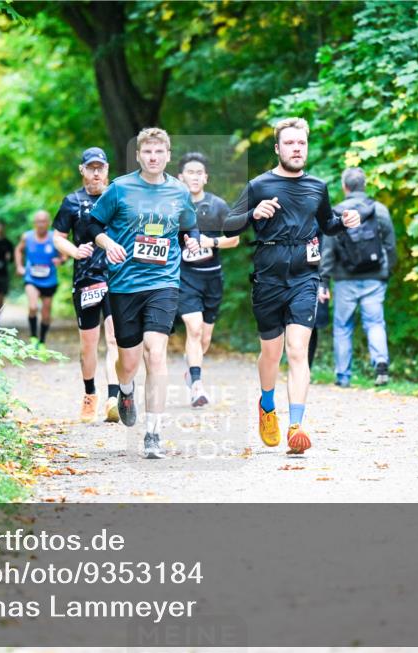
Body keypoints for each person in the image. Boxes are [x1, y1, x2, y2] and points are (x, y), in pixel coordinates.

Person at [223, 117, 360, 455]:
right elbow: (228, 227)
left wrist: (343, 222)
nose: (297, 149)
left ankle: (296, 426)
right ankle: (267, 405)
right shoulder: (259, 185)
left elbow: (326, 224)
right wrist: (254, 213)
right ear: (277, 148)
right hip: (268, 279)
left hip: (305, 278)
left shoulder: (317, 186)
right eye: (290, 143)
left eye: (301, 143)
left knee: (298, 350)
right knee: (272, 353)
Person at [87, 127, 201, 459]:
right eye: (147, 152)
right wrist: (107, 243)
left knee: (156, 353)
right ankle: (125, 391)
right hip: (124, 284)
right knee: (129, 361)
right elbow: (92, 224)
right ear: (138, 156)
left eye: (159, 152)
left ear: (168, 155)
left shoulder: (179, 192)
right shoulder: (120, 189)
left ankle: (153, 433)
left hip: (163, 282)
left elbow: (189, 223)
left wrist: (191, 238)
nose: (153, 157)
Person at [52, 147, 121, 423]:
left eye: (100, 168)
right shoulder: (71, 202)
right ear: (82, 170)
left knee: (116, 338)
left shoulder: (116, 197)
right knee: (88, 345)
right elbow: (58, 236)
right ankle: (90, 394)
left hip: (116, 277)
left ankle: (113, 399)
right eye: (90, 168)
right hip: (86, 279)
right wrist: (74, 250)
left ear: (106, 170)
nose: (96, 173)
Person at [319, 167, 397, 387]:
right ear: (364, 185)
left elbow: (327, 251)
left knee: (343, 326)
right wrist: (387, 270)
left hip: (345, 279)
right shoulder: (379, 210)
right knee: (375, 322)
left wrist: (323, 280)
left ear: (345, 187)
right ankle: (381, 362)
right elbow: (390, 245)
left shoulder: (336, 213)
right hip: (375, 277)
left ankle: (343, 377)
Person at [175, 152, 239, 408]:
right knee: (194, 328)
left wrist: (209, 241)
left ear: (206, 177)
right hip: (185, 277)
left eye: (199, 172)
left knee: (204, 339)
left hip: (212, 278)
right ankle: (198, 386)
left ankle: (191, 370)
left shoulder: (218, 206)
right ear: (180, 177)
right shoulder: (174, 206)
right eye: (190, 172)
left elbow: (234, 239)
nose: (194, 176)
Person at [14, 211, 62, 344]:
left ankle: (41, 342)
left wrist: (60, 260)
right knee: (33, 307)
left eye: (44, 221)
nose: (41, 224)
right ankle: (33, 337)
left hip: (49, 280)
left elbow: (64, 254)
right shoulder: (27, 237)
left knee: (46, 315)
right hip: (32, 278)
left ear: (48, 223)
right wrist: (19, 266)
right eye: (38, 221)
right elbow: (18, 250)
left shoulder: (54, 238)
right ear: (34, 223)